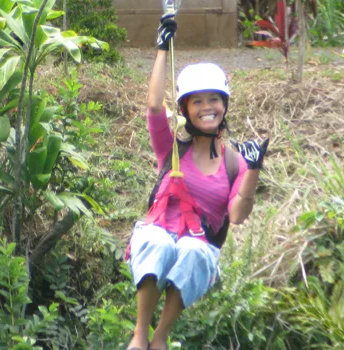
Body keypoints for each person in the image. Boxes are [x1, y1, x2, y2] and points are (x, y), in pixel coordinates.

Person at [125, 13, 270, 350]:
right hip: (159, 232)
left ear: (225, 105)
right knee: (161, 244)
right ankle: (140, 333)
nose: (207, 108)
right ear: (187, 109)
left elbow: (237, 215)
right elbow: (153, 108)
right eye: (198, 101)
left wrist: (254, 169)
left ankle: (160, 336)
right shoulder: (172, 147)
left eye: (214, 100)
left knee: (191, 249)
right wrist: (162, 48)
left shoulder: (235, 162)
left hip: (198, 243)